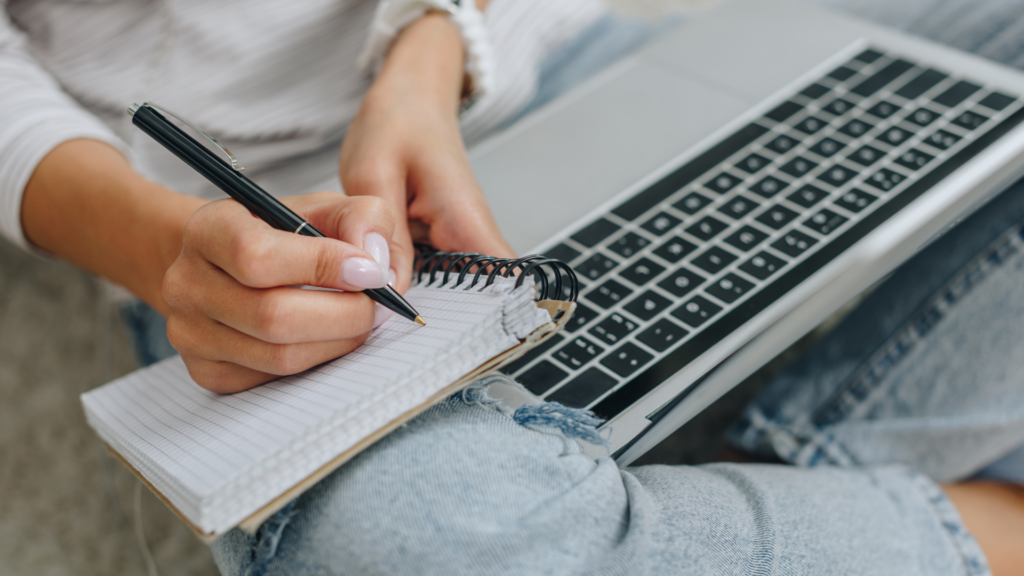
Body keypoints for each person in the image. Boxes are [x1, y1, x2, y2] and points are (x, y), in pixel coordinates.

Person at [1, 0, 1022, 574]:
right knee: (410, 547)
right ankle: (981, 525)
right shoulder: (210, 243)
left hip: (560, 62)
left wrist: (429, 51)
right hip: (250, 228)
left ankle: (752, 496)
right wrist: (167, 247)